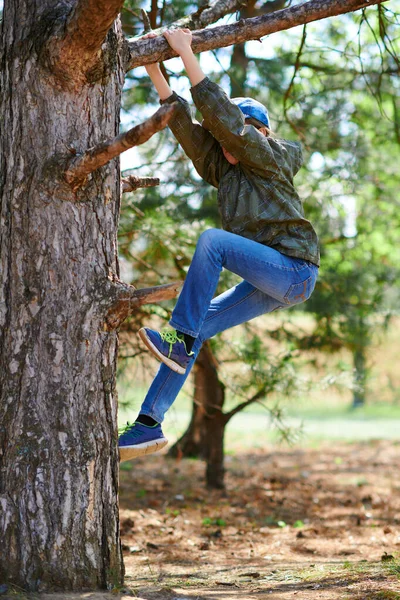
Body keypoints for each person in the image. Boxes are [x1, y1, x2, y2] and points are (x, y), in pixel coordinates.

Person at [119, 28, 320, 462]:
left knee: (212, 242)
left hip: (294, 270)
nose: (228, 146)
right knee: (197, 331)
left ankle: (177, 337)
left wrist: (187, 52)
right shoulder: (226, 171)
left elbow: (225, 123)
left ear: (261, 133)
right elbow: (186, 126)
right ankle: (147, 425)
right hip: (271, 281)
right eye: (226, 143)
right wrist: (154, 66)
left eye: (240, 134)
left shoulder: (271, 156)